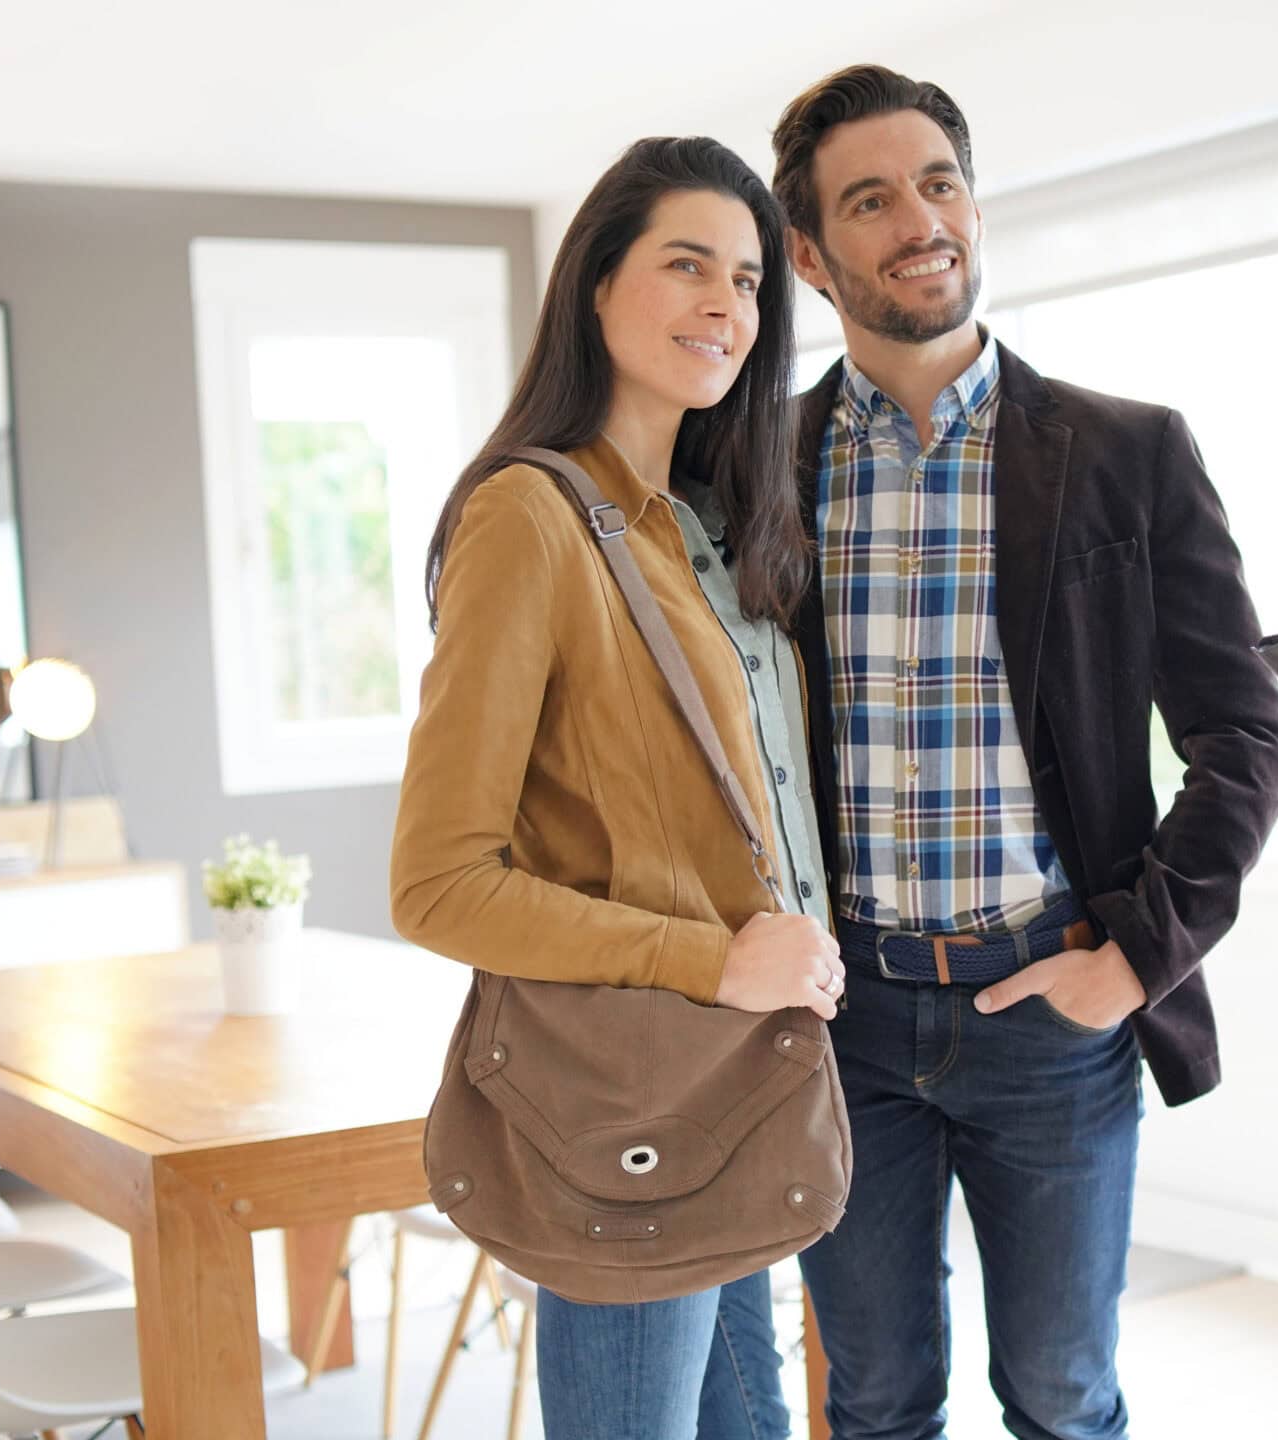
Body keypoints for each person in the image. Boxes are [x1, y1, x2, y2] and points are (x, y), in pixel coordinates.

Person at [766, 64, 1278, 1440]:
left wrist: (1137, 953)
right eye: (871, 199)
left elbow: (1245, 736)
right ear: (815, 257)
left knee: (1063, 1395)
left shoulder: (1128, 452)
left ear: (977, 206)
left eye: (938, 183)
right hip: (843, 1024)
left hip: (1052, 1010)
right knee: (874, 1397)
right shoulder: (755, 468)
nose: (919, 219)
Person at [388, 135, 838, 1440]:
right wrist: (716, 962)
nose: (727, 307)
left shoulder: (690, 526)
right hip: (637, 1094)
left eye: (750, 282)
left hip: (732, 1083)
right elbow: (438, 883)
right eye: (687, 265)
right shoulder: (530, 518)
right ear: (595, 285)